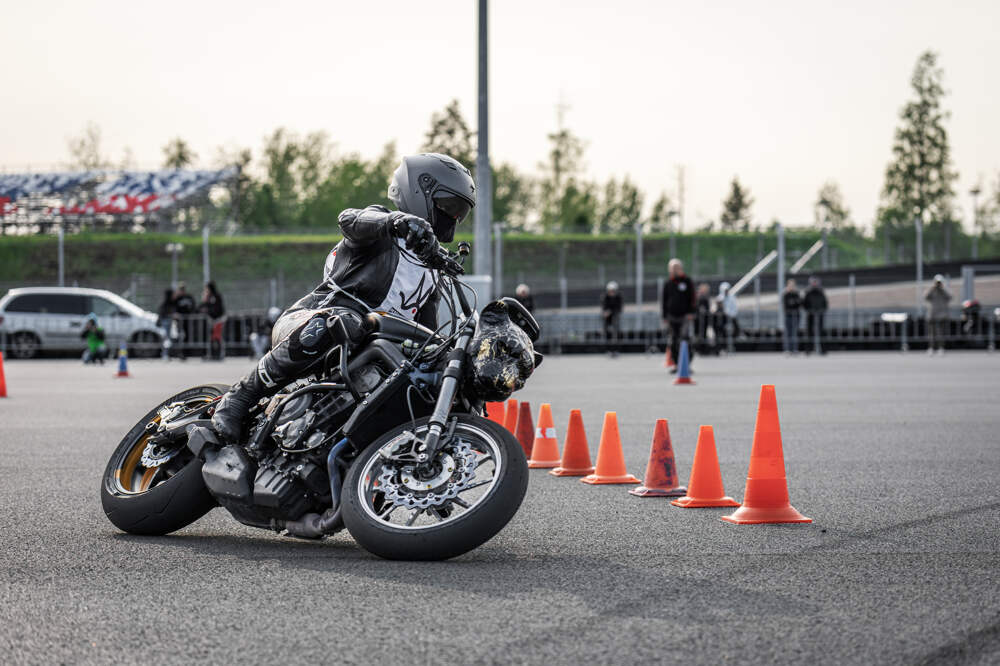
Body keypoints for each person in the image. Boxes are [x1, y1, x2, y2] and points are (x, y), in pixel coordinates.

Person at [212, 153, 476, 443]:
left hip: (366, 348)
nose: (453, 217)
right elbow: (349, 219)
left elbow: (424, 332)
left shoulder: (432, 273)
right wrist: (397, 221)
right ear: (420, 191)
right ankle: (240, 396)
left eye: (460, 212)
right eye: (449, 206)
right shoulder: (380, 227)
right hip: (313, 321)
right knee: (346, 322)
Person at [661, 259, 695, 373]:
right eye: (672, 268)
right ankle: (676, 364)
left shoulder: (687, 281)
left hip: (685, 316)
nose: (674, 270)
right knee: (673, 340)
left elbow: (693, 298)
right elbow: (664, 300)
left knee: (685, 340)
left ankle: (687, 364)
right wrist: (664, 316)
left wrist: (691, 312)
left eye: (676, 267)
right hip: (672, 316)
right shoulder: (668, 283)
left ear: (681, 268)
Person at [925, 274, 952, 355]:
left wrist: (943, 289)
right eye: (937, 282)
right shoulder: (932, 290)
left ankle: (941, 348)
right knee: (931, 333)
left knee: (941, 333)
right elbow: (926, 297)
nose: (938, 284)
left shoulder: (944, 291)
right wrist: (932, 288)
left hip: (941, 315)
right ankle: (931, 348)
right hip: (932, 314)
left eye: (939, 282)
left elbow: (950, 297)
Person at [199, 281, 226, 360]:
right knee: (211, 337)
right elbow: (201, 307)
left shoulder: (216, 296)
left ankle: (219, 354)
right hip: (211, 320)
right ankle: (211, 354)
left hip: (218, 320)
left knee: (217, 337)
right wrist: (204, 300)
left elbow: (218, 309)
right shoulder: (208, 296)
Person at [803, 276, 828, 354]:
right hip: (810, 314)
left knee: (821, 331)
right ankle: (808, 349)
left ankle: (823, 349)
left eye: (815, 282)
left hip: (819, 314)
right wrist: (808, 310)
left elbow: (825, 302)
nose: (814, 283)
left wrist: (822, 310)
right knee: (809, 332)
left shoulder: (821, 291)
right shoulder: (808, 292)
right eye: (813, 282)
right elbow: (804, 303)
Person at [172, 283, 196, 360]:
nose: (182, 291)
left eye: (183, 289)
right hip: (179, 321)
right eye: (181, 289)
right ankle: (180, 352)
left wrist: (192, 314)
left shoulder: (189, 297)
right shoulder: (177, 298)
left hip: (188, 320)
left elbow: (193, 307)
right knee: (180, 336)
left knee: (187, 336)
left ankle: (186, 352)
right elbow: (173, 308)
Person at [601, 281, 624, 357]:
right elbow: (604, 307)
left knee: (616, 334)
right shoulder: (605, 297)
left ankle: (616, 350)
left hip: (615, 317)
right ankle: (608, 350)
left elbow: (619, 308)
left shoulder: (619, 297)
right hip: (607, 318)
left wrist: (610, 311)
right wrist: (605, 312)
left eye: (613, 291)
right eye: (610, 291)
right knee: (606, 333)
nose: (611, 292)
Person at [782, 279, 802, 354]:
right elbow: (786, 304)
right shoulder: (786, 294)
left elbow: (799, 303)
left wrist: (793, 302)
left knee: (795, 332)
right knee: (788, 332)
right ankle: (787, 349)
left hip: (796, 315)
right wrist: (794, 302)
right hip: (788, 315)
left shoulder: (796, 293)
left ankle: (795, 348)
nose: (791, 287)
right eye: (790, 285)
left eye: (793, 285)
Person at [694, 282, 714, 354]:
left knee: (704, 333)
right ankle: (698, 347)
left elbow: (707, 308)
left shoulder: (706, 298)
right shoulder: (697, 298)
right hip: (698, 319)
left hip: (704, 319)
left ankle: (703, 347)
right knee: (697, 334)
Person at [156, 288, 176, 360]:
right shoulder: (166, 303)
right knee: (166, 339)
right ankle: (165, 354)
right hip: (165, 323)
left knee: (167, 339)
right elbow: (163, 313)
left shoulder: (170, 302)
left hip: (168, 322)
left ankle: (166, 354)